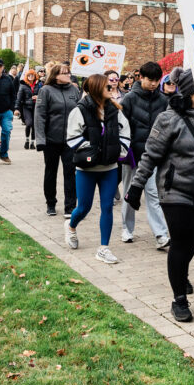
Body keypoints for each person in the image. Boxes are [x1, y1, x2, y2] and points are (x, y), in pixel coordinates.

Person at [126, 67, 194, 321]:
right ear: (189, 91)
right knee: (180, 243)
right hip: (174, 192)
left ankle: (181, 273)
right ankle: (179, 299)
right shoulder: (168, 119)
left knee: (193, 241)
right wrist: (136, 187)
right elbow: (150, 155)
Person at [63, 73, 130, 264]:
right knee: (84, 207)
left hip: (109, 167)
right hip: (87, 169)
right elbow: (72, 137)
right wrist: (95, 150)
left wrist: (118, 151)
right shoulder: (80, 110)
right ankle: (71, 226)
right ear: (96, 89)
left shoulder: (115, 110)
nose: (112, 88)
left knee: (107, 206)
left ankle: (103, 248)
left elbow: (125, 132)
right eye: (107, 87)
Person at [117, 61, 171, 247]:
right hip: (132, 155)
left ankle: (161, 234)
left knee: (153, 194)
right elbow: (121, 127)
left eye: (157, 80)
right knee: (129, 192)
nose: (154, 83)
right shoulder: (129, 99)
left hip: (154, 156)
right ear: (141, 77)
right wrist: (126, 148)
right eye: (150, 79)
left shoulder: (163, 100)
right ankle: (127, 228)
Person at [35, 63, 83, 216]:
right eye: (64, 73)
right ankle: (51, 203)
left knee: (71, 173)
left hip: (71, 140)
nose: (68, 75)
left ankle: (70, 206)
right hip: (51, 140)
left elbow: (80, 113)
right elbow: (40, 116)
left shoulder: (74, 90)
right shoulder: (46, 91)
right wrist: (40, 139)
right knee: (51, 172)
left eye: (69, 72)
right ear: (56, 75)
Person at [15, 69, 42, 150]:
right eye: (29, 75)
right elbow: (19, 98)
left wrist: (38, 97)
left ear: (35, 76)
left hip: (36, 107)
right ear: (27, 76)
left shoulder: (39, 85)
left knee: (34, 125)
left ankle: (32, 143)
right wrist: (16, 108)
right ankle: (27, 140)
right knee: (29, 123)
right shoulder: (23, 85)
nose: (31, 77)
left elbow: (43, 95)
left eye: (32, 75)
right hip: (26, 107)